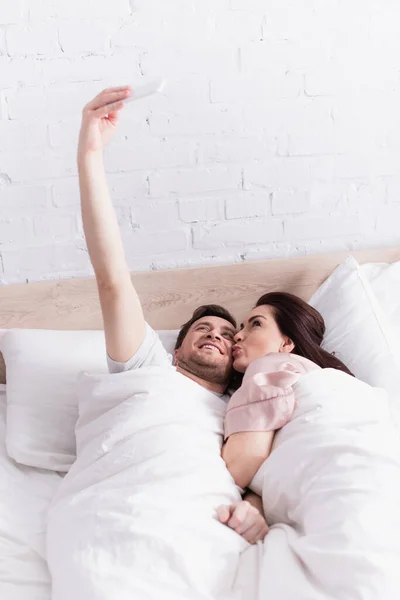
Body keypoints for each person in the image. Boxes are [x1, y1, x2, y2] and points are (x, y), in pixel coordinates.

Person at [77, 85, 268, 544]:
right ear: (176, 347)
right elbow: (113, 278)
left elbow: (262, 477)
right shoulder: (145, 366)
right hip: (112, 503)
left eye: (227, 333)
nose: (215, 335)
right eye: (202, 328)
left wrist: (256, 511)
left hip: (197, 516)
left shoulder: (238, 409)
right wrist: (89, 153)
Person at [220, 292, 353, 490]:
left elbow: (238, 470)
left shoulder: (269, 364)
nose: (237, 336)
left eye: (256, 324)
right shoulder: (331, 379)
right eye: (241, 328)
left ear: (286, 343)